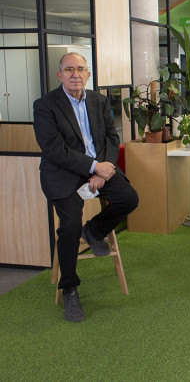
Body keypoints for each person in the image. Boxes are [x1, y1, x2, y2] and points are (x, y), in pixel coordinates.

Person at [33, 52, 139, 322]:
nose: (75, 74)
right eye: (69, 69)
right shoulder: (45, 106)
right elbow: (53, 149)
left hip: (99, 169)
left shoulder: (99, 101)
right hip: (63, 174)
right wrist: (93, 167)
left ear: (88, 74)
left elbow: (112, 138)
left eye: (80, 69)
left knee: (129, 199)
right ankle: (69, 287)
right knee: (68, 226)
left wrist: (103, 171)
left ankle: (94, 230)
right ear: (60, 75)